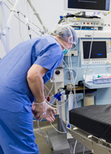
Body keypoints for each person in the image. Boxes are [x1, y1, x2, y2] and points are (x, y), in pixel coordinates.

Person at [0, 24, 78, 154]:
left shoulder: (31, 43)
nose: (69, 50)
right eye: (72, 46)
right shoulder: (56, 48)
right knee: (23, 148)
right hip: (11, 101)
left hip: (6, 97)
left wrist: (41, 103)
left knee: (5, 144)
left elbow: (15, 77)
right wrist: (40, 102)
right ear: (69, 39)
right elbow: (33, 75)